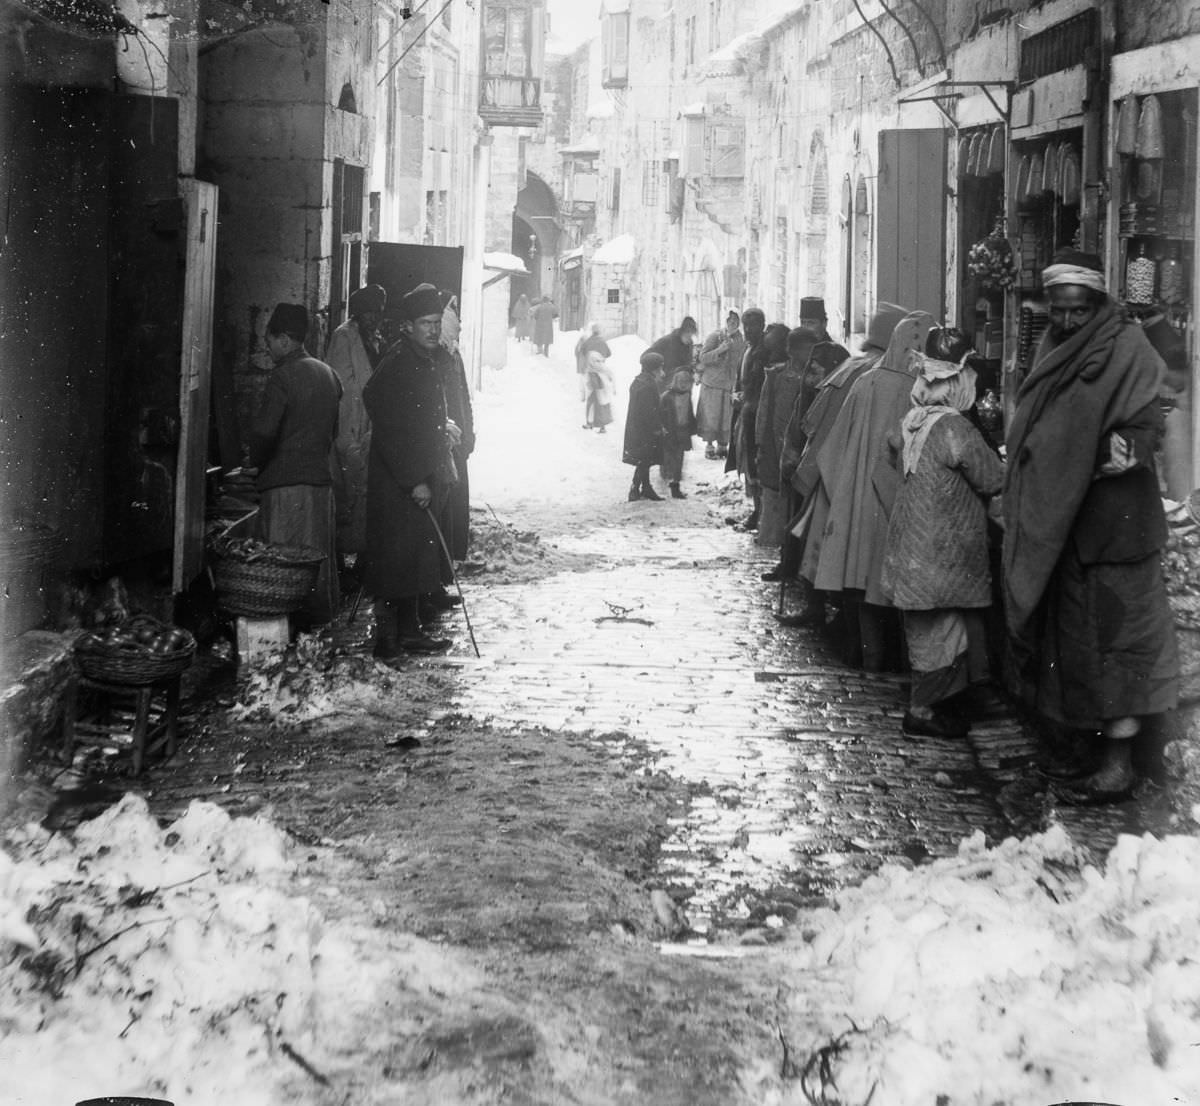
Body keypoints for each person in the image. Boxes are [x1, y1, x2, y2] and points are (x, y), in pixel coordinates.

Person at [1002, 249, 1178, 803]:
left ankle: (1119, 766)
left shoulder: (1128, 348)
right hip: (1067, 524)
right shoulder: (1055, 347)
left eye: (1078, 309)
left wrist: (1102, 452)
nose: (1068, 319)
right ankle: (1087, 753)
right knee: (1076, 647)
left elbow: (1147, 424)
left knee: (1119, 648)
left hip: (1115, 528)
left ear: (1098, 302)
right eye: (1059, 308)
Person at [881, 329, 1005, 738]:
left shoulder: (915, 420)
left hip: (916, 547)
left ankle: (930, 705)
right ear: (958, 381)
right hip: (941, 551)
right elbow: (990, 478)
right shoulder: (953, 427)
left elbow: (891, 450)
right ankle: (923, 711)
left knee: (928, 632)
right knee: (942, 633)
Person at [809, 309, 935, 670]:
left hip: (857, 500)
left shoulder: (866, 383)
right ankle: (898, 662)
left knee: (859, 581)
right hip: (904, 504)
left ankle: (866, 657)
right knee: (898, 585)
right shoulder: (923, 390)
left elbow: (831, 450)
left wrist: (846, 494)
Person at [363, 283, 458, 657]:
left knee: (414, 559)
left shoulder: (426, 358)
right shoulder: (399, 361)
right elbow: (386, 420)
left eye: (436, 322)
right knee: (394, 561)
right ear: (408, 326)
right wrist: (413, 479)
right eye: (425, 323)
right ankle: (387, 640)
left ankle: (410, 630)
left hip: (420, 476)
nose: (433, 330)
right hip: (398, 482)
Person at [248, 303, 342, 627]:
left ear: (285, 340)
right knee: (315, 567)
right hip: (320, 486)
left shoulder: (282, 375)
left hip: (286, 488)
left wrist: (254, 464)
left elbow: (263, 431)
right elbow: (335, 432)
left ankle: (285, 636)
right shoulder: (329, 374)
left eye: (270, 340)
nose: (268, 348)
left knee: (282, 569)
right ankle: (316, 634)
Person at [327, 284, 386, 577]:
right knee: (346, 493)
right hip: (349, 425)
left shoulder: (372, 338)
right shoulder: (344, 336)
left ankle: (363, 559)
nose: (374, 319)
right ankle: (340, 562)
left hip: (366, 426)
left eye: (378, 313)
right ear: (358, 314)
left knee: (364, 493)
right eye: (369, 313)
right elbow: (343, 385)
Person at [759, 326, 821, 581]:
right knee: (783, 509)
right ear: (791, 351)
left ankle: (799, 566)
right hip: (778, 448)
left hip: (804, 453)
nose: (810, 355)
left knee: (801, 510)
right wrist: (761, 446)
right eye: (806, 350)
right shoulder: (776, 376)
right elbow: (764, 413)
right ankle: (785, 562)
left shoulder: (819, 379)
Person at [430, 295, 474, 620]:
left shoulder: (453, 355)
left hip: (456, 446)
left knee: (451, 516)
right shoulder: (435, 358)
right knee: (440, 517)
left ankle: (441, 580)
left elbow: (463, 397)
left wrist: (469, 434)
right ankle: (432, 584)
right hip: (442, 446)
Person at [751, 323, 794, 549]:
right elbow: (764, 412)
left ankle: (773, 537)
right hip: (772, 443)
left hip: (781, 443)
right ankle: (770, 536)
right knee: (771, 491)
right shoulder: (775, 373)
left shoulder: (779, 373)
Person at [729, 307, 767, 529]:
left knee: (757, 466)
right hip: (745, 413)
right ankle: (756, 510)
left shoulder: (763, 351)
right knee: (747, 462)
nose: (749, 330)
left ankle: (760, 513)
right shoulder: (748, 349)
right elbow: (740, 379)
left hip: (756, 416)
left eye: (753, 326)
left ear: (761, 326)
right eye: (746, 326)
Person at [696, 311, 745, 459]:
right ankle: (709, 446)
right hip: (712, 383)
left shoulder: (740, 339)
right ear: (726, 321)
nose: (733, 324)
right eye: (730, 321)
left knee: (726, 417)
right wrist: (720, 349)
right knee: (712, 416)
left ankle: (723, 446)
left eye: (736, 321)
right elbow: (703, 358)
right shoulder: (715, 336)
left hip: (729, 384)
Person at [623, 350, 666, 502]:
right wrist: (657, 427)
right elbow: (649, 410)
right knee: (644, 459)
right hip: (645, 429)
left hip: (637, 428)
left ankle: (646, 487)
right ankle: (635, 488)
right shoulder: (648, 385)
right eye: (660, 368)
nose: (662, 371)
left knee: (645, 458)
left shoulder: (640, 381)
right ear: (654, 368)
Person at [659, 366, 697, 499]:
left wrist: (693, 428)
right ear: (675, 381)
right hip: (670, 432)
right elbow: (660, 415)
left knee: (679, 458)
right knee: (668, 457)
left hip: (683, 431)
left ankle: (675, 485)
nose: (683, 384)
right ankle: (666, 479)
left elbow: (689, 413)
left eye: (686, 382)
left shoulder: (687, 395)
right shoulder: (666, 396)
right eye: (680, 381)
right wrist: (662, 428)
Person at [575, 323, 613, 429]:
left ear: (592, 331)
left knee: (591, 398)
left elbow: (581, 351)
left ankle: (589, 422)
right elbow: (609, 353)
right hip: (602, 374)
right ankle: (602, 426)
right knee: (602, 398)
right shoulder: (602, 341)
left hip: (591, 373)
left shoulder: (588, 341)